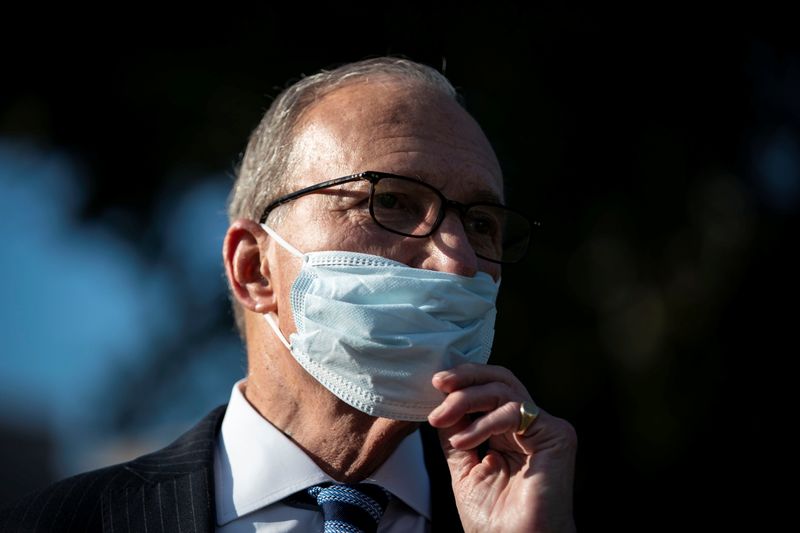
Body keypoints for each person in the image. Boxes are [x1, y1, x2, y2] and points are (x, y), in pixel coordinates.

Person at [0, 57, 576, 532]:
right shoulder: (64, 523)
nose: (458, 261)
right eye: (393, 201)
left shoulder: (542, 508)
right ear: (255, 268)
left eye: (481, 224)